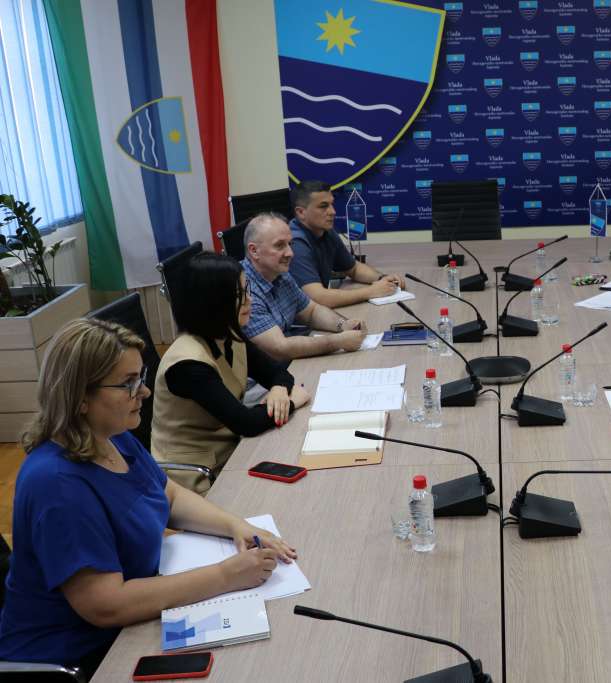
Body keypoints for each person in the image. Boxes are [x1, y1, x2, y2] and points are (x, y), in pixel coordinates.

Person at [0, 318, 296, 675]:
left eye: (140, 377)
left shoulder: (112, 435)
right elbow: (106, 606)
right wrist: (225, 576)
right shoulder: (57, 485)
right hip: (83, 657)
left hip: (131, 623)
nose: (144, 392)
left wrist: (237, 526)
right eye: (128, 383)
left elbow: (168, 496)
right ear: (80, 397)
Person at [151, 252, 311, 493]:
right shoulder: (187, 364)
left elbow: (278, 373)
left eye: (247, 290)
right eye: (239, 295)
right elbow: (246, 423)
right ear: (212, 302)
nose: (249, 300)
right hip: (195, 476)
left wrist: (279, 390)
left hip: (231, 452)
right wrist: (291, 402)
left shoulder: (228, 334)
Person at [242, 212, 368, 361]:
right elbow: (279, 348)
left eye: (290, 244)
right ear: (254, 251)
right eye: (279, 245)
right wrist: (338, 341)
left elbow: (311, 311)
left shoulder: (280, 273)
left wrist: (342, 325)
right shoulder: (244, 289)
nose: (290, 253)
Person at [288, 180, 406, 308]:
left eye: (331, 204)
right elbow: (318, 297)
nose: (332, 212)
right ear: (301, 212)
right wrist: (372, 291)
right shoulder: (294, 243)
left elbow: (354, 269)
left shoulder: (326, 232)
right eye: (323, 206)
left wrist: (382, 278)